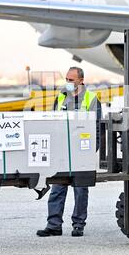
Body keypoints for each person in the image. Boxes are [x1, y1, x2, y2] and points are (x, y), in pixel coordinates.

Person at [37, 67, 101, 237]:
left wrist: (91, 150)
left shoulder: (91, 99)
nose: (68, 83)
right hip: (61, 151)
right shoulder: (61, 96)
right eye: (67, 79)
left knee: (80, 189)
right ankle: (54, 225)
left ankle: (78, 225)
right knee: (57, 187)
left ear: (81, 80)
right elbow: (52, 121)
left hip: (81, 152)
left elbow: (97, 128)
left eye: (71, 80)